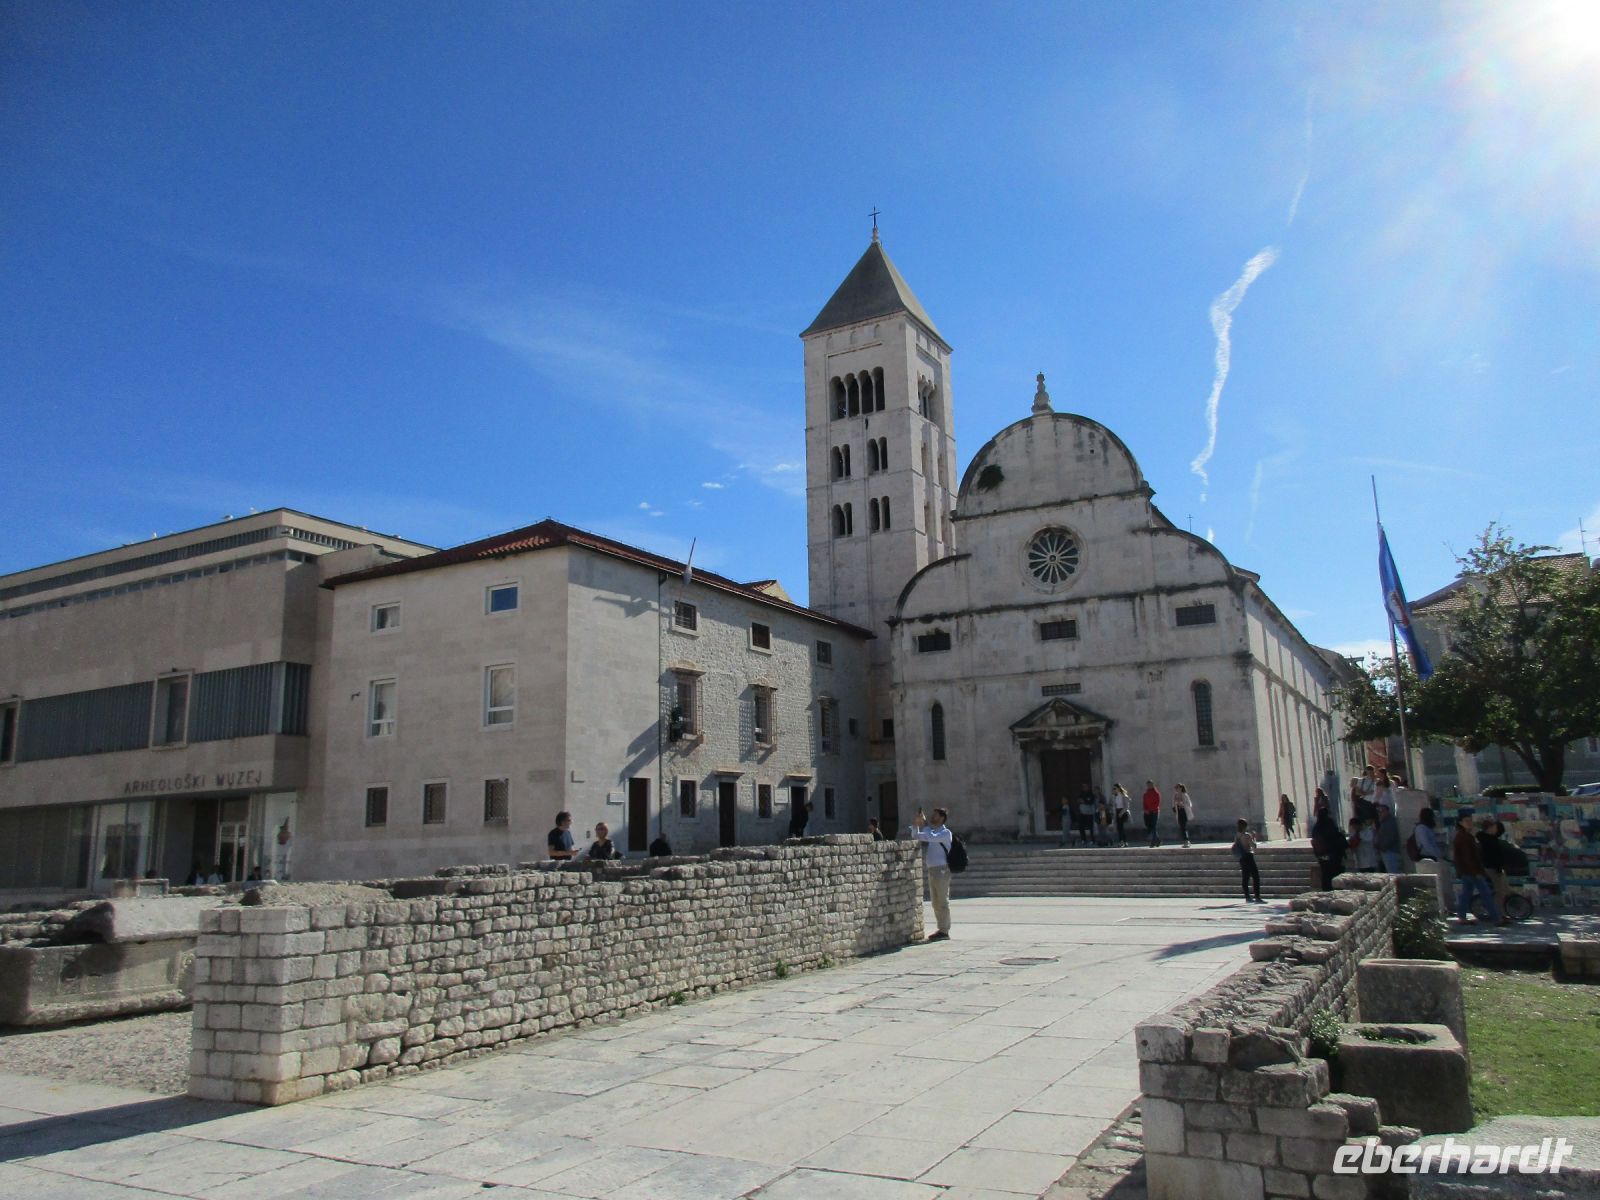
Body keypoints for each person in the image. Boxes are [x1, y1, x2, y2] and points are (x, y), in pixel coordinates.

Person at [911, 806, 954, 942]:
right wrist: (916, 824)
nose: (932, 817)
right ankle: (941, 929)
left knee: (942, 900)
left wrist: (925, 825)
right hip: (932, 870)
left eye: (935, 815)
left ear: (941, 818)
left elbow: (930, 837)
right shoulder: (933, 832)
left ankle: (944, 930)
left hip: (942, 870)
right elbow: (916, 835)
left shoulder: (945, 833)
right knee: (935, 902)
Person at [1452, 814, 1501, 924]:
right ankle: (1496, 918)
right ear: (1460, 822)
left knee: (1466, 894)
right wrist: (1476, 872)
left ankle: (1462, 917)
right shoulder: (1464, 837)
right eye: (1466, 821)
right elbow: (1468, 857)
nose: (1469, 823)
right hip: (1472, 871)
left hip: (1467, 871)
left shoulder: (1464, 835)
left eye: (1470, 820)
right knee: (1486, 894)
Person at [1477, 818, 1510, 914]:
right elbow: (1493, 856)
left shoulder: (1490, 838)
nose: (1497, 829)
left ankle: (1501, 911)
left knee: (1504, 890)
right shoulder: (1488, 840)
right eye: (1495, 827)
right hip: (1493, 868)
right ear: (1489, 828)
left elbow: (1501, 830)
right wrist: (1498, 868)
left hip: (1496, 867)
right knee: (1499, 892)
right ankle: (1499, 913)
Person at [1310, 805, 1344, 890]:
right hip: (1333, 854)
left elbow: (1314, 840)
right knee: (1334, 873)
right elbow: (1336, 837)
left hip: (1322, 855)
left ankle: (1326, 890)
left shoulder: (1316, 827)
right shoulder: (1330, 824)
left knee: (1325, 873)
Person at [1234, 818, 1262, 902]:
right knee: (1255, 876)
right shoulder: (1247, 835)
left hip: (1242, 857)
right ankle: (1257, 896)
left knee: (1245, 877)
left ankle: (1247, 897)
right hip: (1249, 856)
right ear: (1245, 826)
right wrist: (1254, 837)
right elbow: (1254, 846)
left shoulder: (1237, 835)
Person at [1372, 802, 1402, 874]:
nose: (1380, 813)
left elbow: (1391, 837)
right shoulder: (1382, 822)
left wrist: (1383, 847)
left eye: (1382, 811)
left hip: (1390, 852)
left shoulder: (1391, 822)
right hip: (1384, 852)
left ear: (1387, 811)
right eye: (1378, 811)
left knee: (1393, 873)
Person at [1142, 781, 1162, 847]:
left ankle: (1153, 842)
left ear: (1153, 785)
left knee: (1154, 826)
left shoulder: (1156, 793)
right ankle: (1158, 840)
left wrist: (1153, 810)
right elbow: (1144, 803)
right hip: (1147, 812)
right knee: (1149, 826)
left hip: (1154, 812)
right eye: (1148, 785)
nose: (1149, 786)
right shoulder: (1146, 793)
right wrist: (1145, 810)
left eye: (1150, 784)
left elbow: (1157, 803)